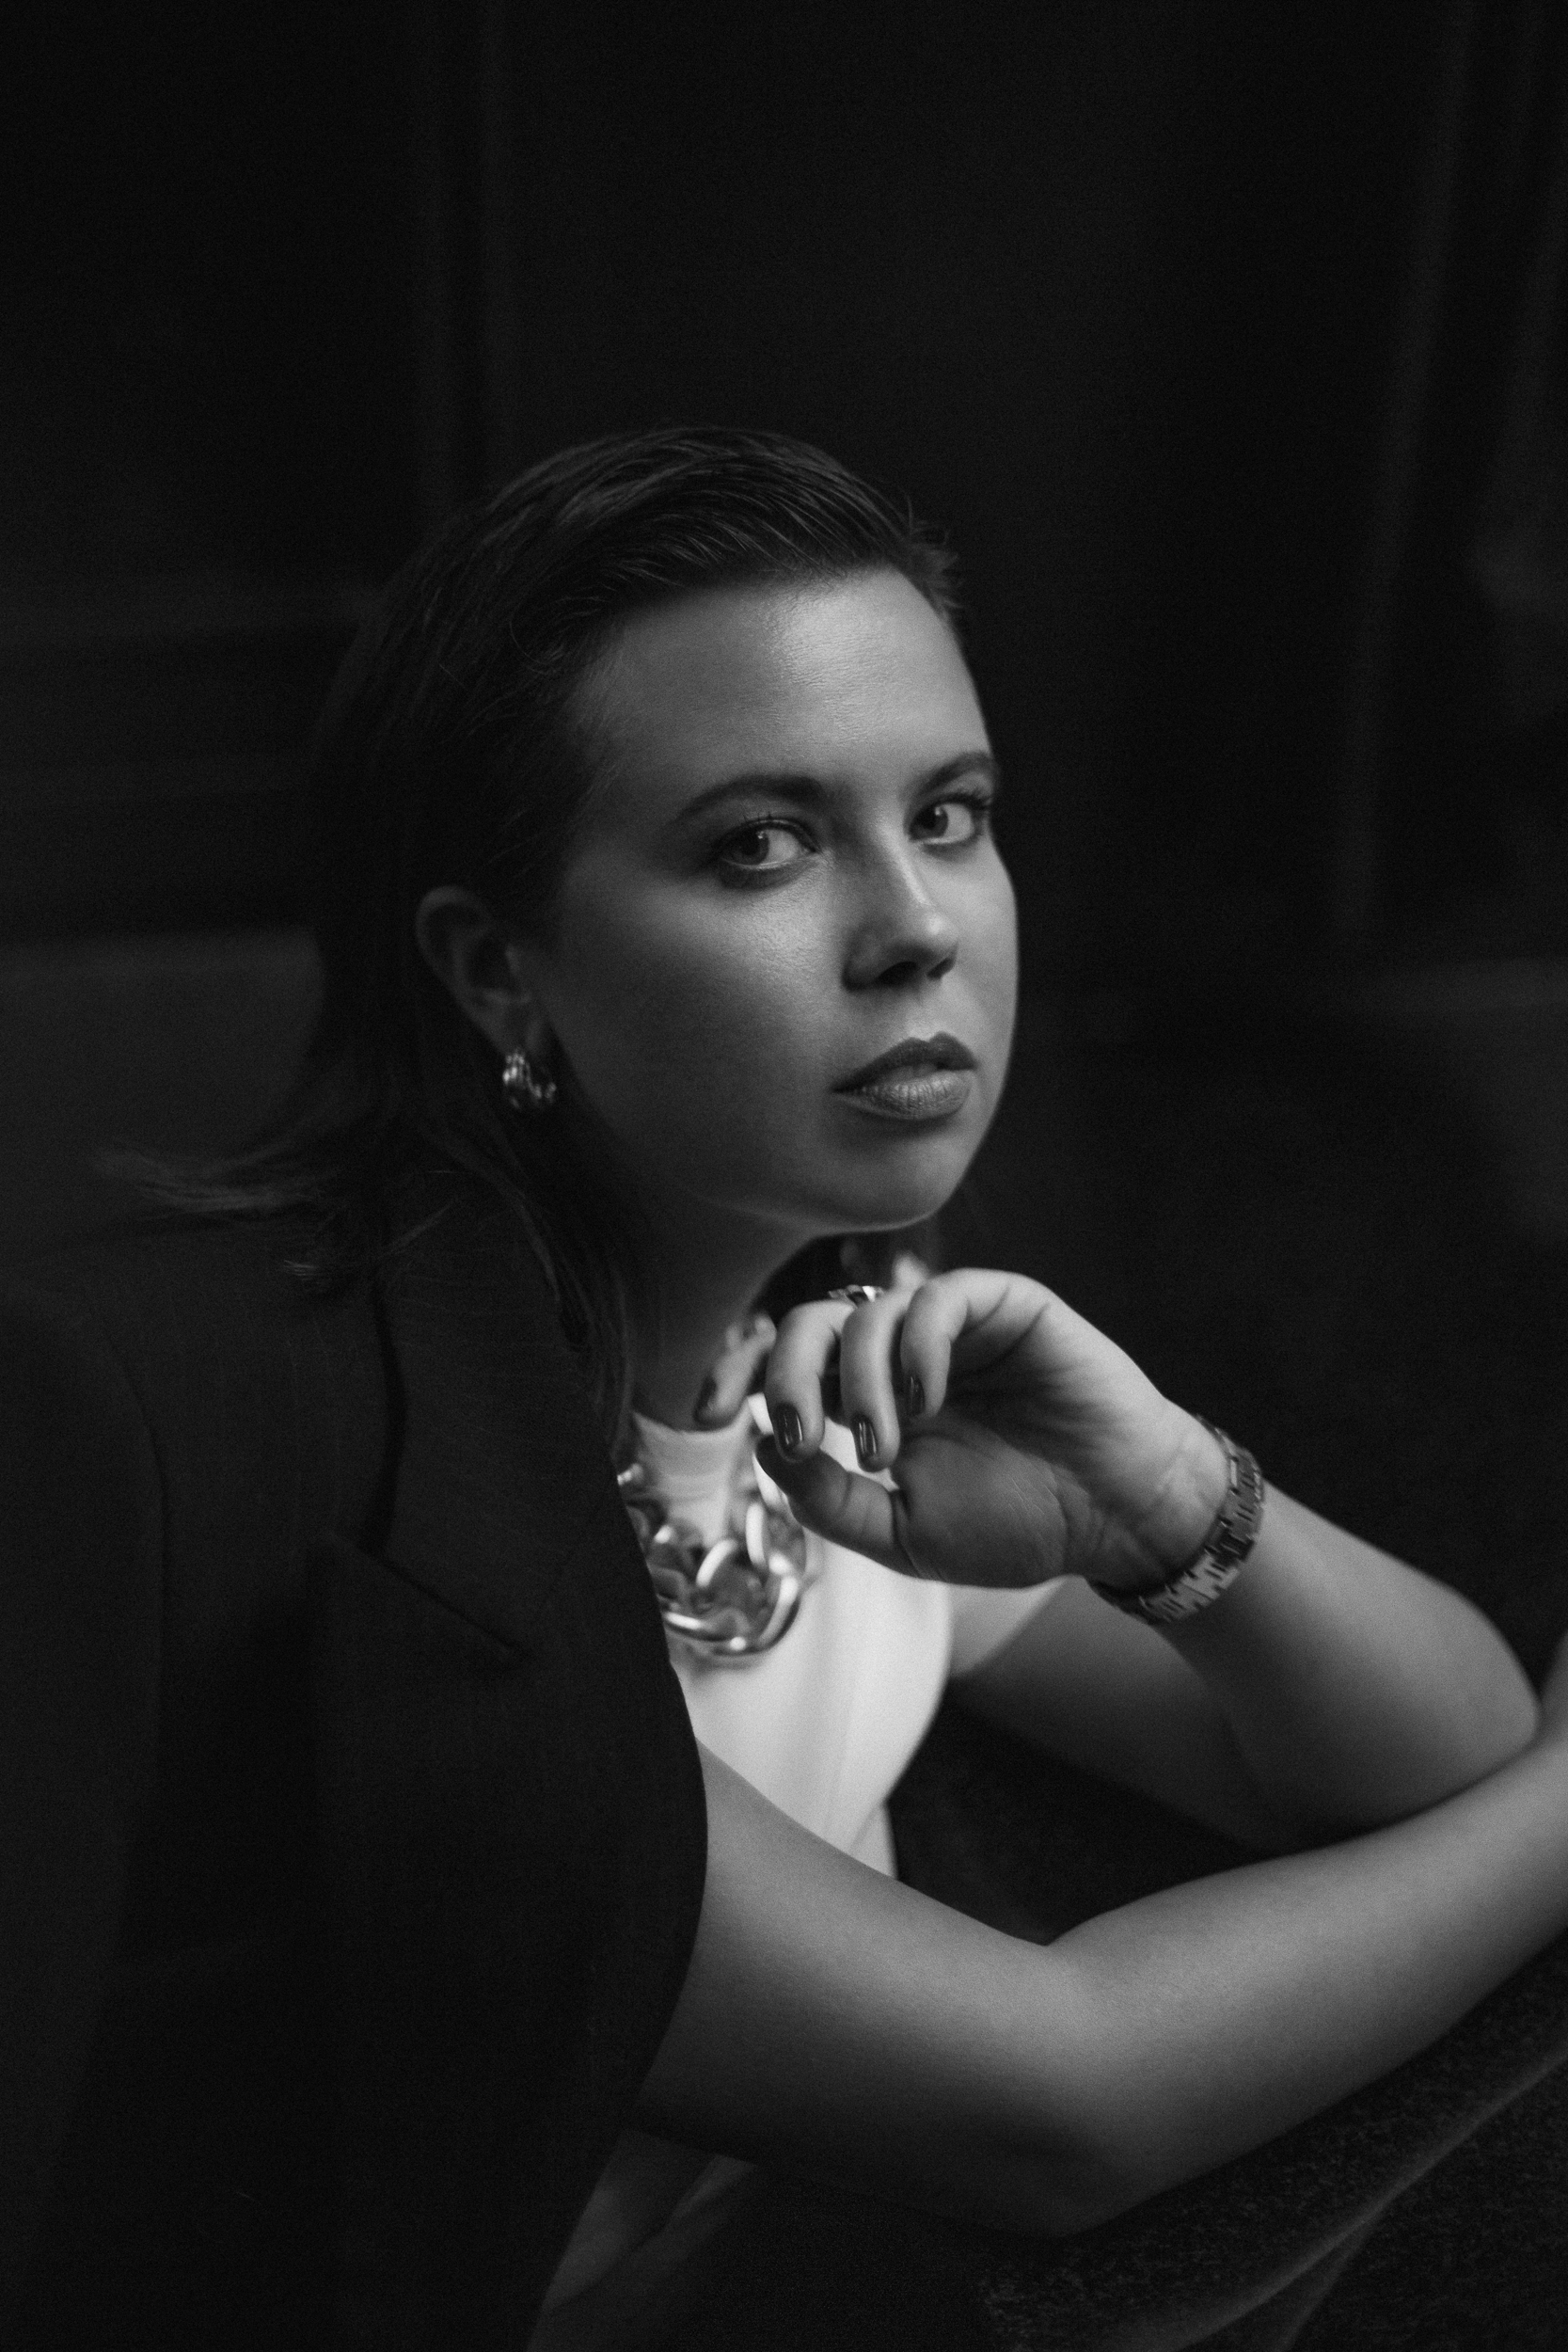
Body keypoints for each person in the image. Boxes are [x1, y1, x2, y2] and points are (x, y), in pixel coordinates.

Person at [6, 426, 1564, 2352]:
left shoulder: (832, 1347)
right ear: (498, 973)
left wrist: (1174, 1502)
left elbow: (1438, 1759)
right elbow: (1066, 2097)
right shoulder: (338, 1464)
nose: (916, 924)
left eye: (952, 812)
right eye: (761, 842)